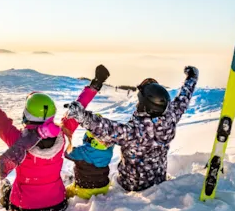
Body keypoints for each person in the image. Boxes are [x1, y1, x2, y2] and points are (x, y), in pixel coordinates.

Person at [0, 63, 110, 211]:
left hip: (24, 208)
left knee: (5, 188)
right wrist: (95, 84)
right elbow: (78, 108)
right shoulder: (63, 134)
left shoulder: (18, 141)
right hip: (57, 205)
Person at [66, 66, 199, 192]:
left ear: (146, 106)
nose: (137, 104)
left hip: (131, 186)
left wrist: (81, 115)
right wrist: (191, 78)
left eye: (140, 101)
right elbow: (183, 99)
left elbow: (106, 128)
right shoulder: (170, 117)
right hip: (158, 179)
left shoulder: (135, 132)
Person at [64, 115, 115, 199]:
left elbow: (66, 153)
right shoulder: (108, 149)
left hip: (84, 190)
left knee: (66, 191)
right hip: (104, 187)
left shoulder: (81, 152)